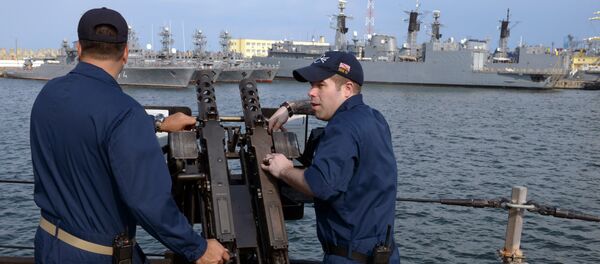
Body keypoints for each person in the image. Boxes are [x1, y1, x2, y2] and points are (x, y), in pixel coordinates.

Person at [30, 7, 229, 264]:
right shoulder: (125, 113)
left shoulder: (49, 94)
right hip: (97, 256)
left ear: (79, 48)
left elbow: (90, 122)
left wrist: (157, 125)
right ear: (125, 53)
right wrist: (198, 248)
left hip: (49, 245)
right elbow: (148, 202)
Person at [261, 51, 400, 263]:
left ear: (347, 89)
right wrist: (292, 107)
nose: (311, 92)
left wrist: (283, 169)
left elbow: (320, 185)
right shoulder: (374, 118)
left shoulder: (342, 128)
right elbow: (335, 107)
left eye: (320, 85)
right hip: (384, 254)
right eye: (311, 85)